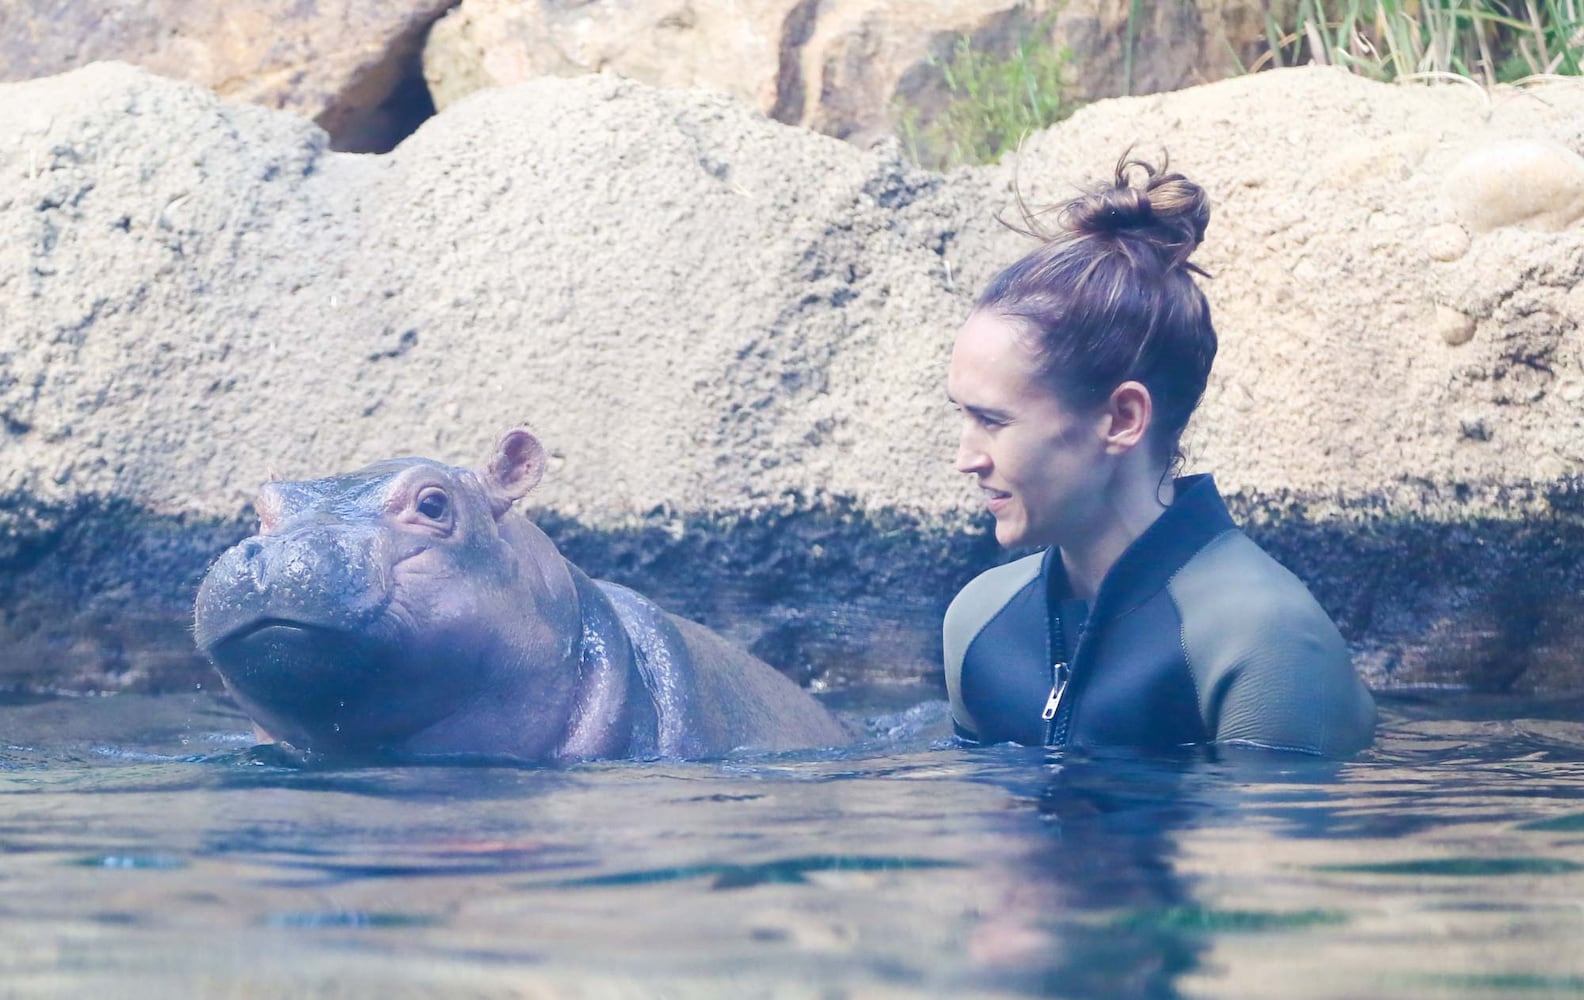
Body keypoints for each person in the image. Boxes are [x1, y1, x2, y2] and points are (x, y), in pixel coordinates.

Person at [942, 154, 1376, 758]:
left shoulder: (1262, 642)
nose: (966, 457)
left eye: (992, 420)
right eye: (961, 414)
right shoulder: (978, 624)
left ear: (1122, 419)